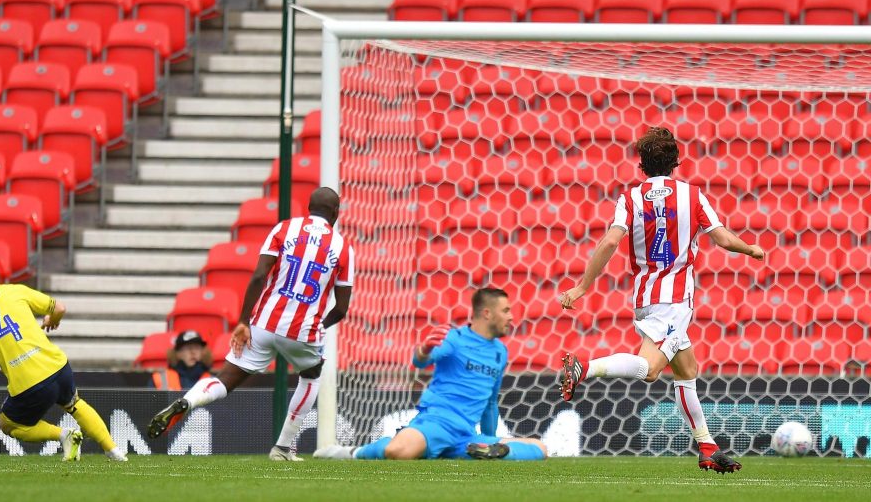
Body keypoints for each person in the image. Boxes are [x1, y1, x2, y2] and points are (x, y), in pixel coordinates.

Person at [558, 127, 765, 474]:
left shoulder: (629, 199)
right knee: (651, 369)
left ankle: (707, 446)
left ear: (642, 165)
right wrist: (751, 249)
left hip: (646, 296)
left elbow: (610, 242)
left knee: (686, 371)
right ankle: (585, 368)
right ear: (676, 162)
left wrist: (582, 286)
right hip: (673, 300)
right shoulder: (693, 196)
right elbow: (724, 239)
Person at [148, 187, 354, 461]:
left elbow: (258, 276)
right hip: (304, 331)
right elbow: (341, 308)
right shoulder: (343, 247)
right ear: (336, 214)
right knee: (312, 375)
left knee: (226, 379)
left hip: (264, 325)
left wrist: (243, 321)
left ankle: (190, 400)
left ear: (308, 208)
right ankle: (282, 447)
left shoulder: (284, 229)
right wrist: (317, 326)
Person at [314, 288, 547, 461]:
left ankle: (496, 453)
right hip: (437, 423)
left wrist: (490, 440)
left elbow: (490, 404)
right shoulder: (454, 339)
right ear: (487, 313)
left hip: (466, 436)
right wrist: (424, 350)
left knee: (539, 448)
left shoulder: (500, 352)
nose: (511, 317)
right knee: (397, 451)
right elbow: (421, 361)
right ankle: (351, 452)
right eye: (505, 311)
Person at [0, 250, 128, 461]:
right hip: (57, 365)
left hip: (28, 382)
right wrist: (52, 320)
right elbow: (59, 307)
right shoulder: (15, 291)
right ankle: (114, 450)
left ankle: (64, 435)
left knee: (8, 424)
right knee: (75, 404)